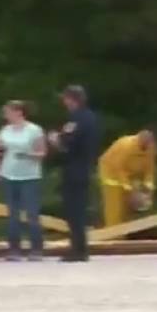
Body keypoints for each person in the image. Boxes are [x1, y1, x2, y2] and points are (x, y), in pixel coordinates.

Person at [47, 85, 99, 262]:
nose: (64, 102)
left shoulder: (77, 119)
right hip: (85, 167)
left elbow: (68, 144)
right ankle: (79, 247)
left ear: (72, 99)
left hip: (74, 168)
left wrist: (55, 139)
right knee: (79, 209)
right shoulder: (91, 117)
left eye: (66, 98)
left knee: (74, 210)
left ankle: (78, 250)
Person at [0, 100, 46, 261]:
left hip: (29, 176)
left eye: (8, 112)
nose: (6, 115)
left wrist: (27, 155)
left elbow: (42, 153)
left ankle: (36, 249)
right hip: (9, 174)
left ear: (19, 112)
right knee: (12, 214)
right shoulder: (5, 130)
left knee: (32, 214)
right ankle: (14, 250)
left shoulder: (34, 130)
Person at [98, 130, 157, 227]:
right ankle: (113, 236)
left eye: (147, 145)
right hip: (112, 174)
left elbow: (149, 169)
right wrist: (129, 189)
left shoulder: (151, 148)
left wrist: (149, 188)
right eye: (143, 145)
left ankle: (124, 234)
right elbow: (119, 168)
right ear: (139, 141)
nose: (145, 148)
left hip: (131, 174)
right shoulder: (126, 146)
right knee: (115, 210)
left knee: (126, 211)